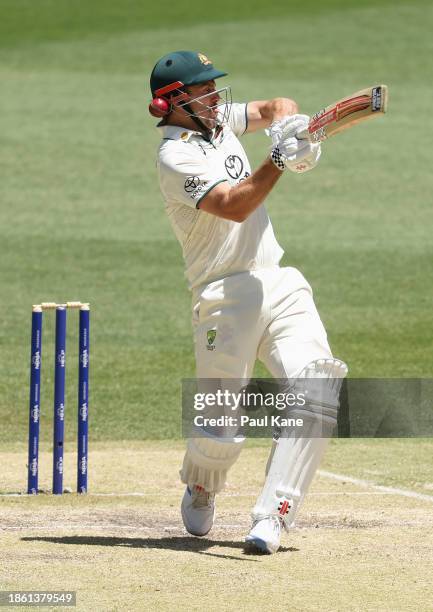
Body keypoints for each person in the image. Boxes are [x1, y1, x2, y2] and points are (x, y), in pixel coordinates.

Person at [149, 50, 347, 554]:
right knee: (221, 426)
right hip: (222, 294)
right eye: (204, 90)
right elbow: (235, 206)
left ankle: (274, 515)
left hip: (277, 281)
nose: (216, 97)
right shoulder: (177, 157)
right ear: (172, 103)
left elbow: (275, 105)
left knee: (317, 383)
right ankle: (201, 482)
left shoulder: (217, 124)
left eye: (215, 88)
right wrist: (278, 159)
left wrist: (292, 128)